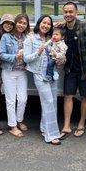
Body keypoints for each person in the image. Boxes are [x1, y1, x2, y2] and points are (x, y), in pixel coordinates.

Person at [23, 15, 61, 145]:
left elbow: (55, 54)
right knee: (48, 101)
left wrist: (57, 57)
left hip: (52, 74)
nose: (46, 26)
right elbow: (26, 58)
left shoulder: (51, 39)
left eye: (49, 24)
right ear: (39, 24)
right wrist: (38, 52)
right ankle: (52, 135)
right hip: (39, 74)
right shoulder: (31, 39)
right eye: (44, 23)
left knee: (53, 102)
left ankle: (45, 128)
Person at [59, 2, 86, 139]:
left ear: (76, 13)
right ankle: (66, 125)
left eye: (71, 12)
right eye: (66, 12)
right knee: (68, 96)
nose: (68, 14)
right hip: (70, 69)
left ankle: (81, 124)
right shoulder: (61, 29)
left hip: (85, 69)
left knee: (85, 97)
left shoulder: (85, 27)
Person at [0, 14, 30, 138]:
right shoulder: (6, 37)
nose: (21, 25)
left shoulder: (27, 37)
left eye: (24, 23)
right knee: (10, 100)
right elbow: (1, 54)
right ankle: (13, 126)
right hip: (9, 71)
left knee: (23, 99)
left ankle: (19, 120)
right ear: (15, 23)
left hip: (22, 71)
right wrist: (15, 57)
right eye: (20, 22)